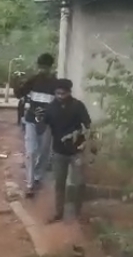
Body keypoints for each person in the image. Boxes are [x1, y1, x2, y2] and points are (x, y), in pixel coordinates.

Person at [44, 79, 92, 223]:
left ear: (69, 92)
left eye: (62, 93)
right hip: (58, 152)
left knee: (79, 183)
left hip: (76, 151)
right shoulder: (51, 108)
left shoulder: (78, 106)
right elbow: (44, 126)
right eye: (57, 93)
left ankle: (78, 212)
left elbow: (88, 125)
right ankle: (59, 213)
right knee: (59, 183)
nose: (59, 96)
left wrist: (86, 144)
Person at [14, 53, 58, 198]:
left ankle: (38, 176)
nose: (42, 70)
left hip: (47, 123)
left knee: (44, 152)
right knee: (31, 152)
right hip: (32, 120)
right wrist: (17, 82)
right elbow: (19, 94)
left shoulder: (56, 84)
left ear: (50, 68)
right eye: (41, 67)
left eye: (45, 68)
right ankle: (30, 184)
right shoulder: (33, 80)